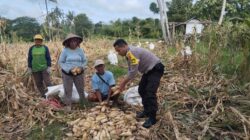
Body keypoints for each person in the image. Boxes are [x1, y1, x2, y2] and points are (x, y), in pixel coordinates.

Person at [113, 39, 164, 128]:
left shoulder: (132, 52)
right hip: (148, 71)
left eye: (118, 50)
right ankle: (147, 110)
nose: (118, 53)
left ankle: (152, 118)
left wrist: (123, 84)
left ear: (124, 46)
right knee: (141, 90)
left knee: (150, 93)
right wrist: (124, 81)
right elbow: (130, 69)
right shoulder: (128, 53)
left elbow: (133, 72)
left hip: (156, 69)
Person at [58, 33, 88, 111]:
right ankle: (68, 105)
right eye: (71, 41)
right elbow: (61, 62)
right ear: (68, 42)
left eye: (75, 41)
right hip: (67, 73)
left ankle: (83, 103)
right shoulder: (65, 51)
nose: (73, 43)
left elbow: (84, 61)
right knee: (68, 89)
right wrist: (68, 69)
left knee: (80, 88)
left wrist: (81, 67)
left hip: (79, 72)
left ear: (77, 42)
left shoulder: (80, 50)